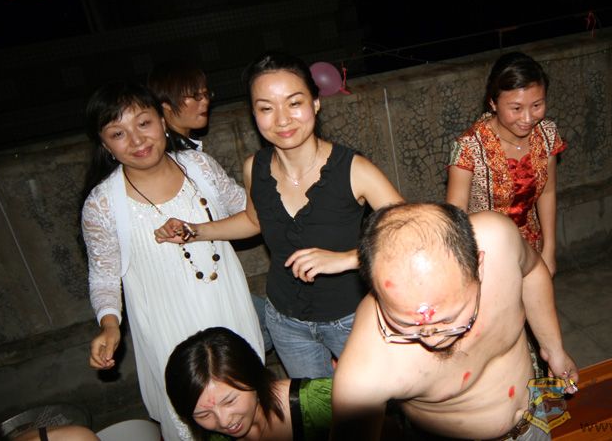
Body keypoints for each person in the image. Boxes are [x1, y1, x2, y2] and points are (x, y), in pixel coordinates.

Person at [155, 52, 404, 379]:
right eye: (266, 108)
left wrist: (347, 259)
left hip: (353, 320)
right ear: (254, 114)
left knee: (371, 403)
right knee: (315, 408)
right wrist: (194, 230)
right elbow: (254, 221)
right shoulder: (254, 168)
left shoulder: (354, 169)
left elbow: (413, 232)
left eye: (294, 103)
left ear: (316, 103)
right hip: (287, 324)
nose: (282, 119)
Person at [81, 81, 264, 441]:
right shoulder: (102, 205)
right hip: (167, 324)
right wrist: (110, 325)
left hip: (227, 305)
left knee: (246, 397)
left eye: (144, 123)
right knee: (194, 412)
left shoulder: (199, 166)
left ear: (163, 121)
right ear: (105, 145)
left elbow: (248, 211)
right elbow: (103, 276)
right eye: (118, 133)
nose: (136, 140)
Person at [331, 202, 578, 440]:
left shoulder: (498, 240)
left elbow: (533, 271)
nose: (431, 337)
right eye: (406, 325)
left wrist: (553, 349)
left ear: (479, 267)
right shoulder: (365, 369)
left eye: (448, 319)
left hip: (534, 419)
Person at [148, 59, 274, 353]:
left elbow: (239, 204)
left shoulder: (191, 154)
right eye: (194, 95)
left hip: (210, 274)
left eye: (206, 93)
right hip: (191, 286)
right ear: (165, 105)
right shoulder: (172, 161)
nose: (204, 101)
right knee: (265, 330)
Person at [446, 52, 566, 276]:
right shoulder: (469, 147)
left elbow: (547, 192)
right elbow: (456, 216)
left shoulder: (546, 134)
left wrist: (549, 249)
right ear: (493, 102)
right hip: (486, 253)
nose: (528, 118)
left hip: (532, 247)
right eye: (516, 108)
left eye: (537, 105)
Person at [165, 327, 332, 441]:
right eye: (203, 415)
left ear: (253, 377)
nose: (224, 421)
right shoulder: (214, 435)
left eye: (230, 401)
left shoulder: (317, 401)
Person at [147, 60, 213, 151]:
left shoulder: (188, 142)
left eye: (205, 94)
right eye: (196, 95)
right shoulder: (163, 154)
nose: (205, 101)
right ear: (167, 104)